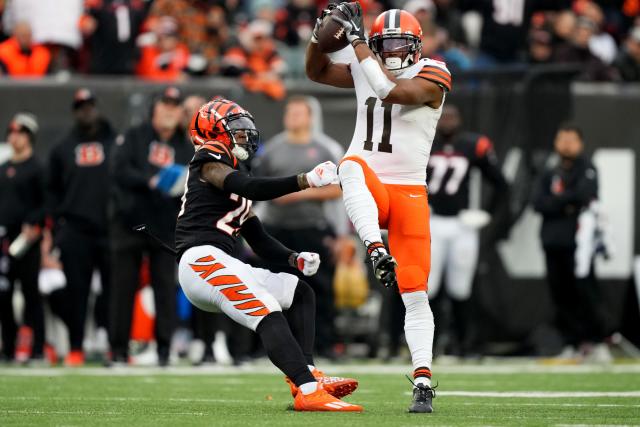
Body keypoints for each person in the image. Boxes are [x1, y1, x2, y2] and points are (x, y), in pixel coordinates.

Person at [306, 3, 451, 413]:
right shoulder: (362, 59)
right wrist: (321, 36)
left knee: (415, 290)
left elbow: (391, 90)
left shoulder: (434, 73)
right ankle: (375, 249)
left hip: (408, 194)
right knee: (350, 165)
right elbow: (315, 71)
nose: (391, 51)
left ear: (416, 45)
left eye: (399, 43)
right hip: (372, 189)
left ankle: (422, 381)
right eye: (384, 44)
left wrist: (358, 46)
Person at [175, 97, 362, 412]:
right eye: (234, 130)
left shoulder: (233, 176)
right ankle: (307, 390)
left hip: (221, 261)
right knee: (267, 309)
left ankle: (307, 374)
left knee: (300, 292)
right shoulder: (210, 159)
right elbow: (253, 188)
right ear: (212, 133)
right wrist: (305, 180)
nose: (243, 135)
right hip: (202, 261)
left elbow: (257, 237)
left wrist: (293, 259)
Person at [253, 95, 343, 358]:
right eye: (289, 112)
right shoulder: (272, 148)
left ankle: (324, 344)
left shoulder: (326, 148)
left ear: (310, 117)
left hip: (312, 227)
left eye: (298, 113)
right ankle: (270, 346)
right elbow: (258, 186)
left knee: (320, 288)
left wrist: (299, 192)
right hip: (277, 229)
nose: (292, 117)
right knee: (271, 287)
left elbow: (339, 189)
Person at [109, 86, 192, 366]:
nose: (170, 109)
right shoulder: (135, 136)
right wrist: (152, 181)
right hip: (131, 222)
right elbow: (118, 170)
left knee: (165, 288)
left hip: (166, 226)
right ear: (154, 108)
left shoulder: (186, 144)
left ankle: (165, 350)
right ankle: (119, 349)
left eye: (175, 105)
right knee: (122, 287)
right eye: (165, 104)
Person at [427, 104, 509, 356]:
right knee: (428, 288)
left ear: (461, 120)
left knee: (461, 288)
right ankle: (428, 345)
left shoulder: (473, 145)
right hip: (430, 221)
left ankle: (465, 344)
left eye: (452, 116)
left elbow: (501, 183)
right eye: (444, 116)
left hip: (462, 224)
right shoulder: (425, 141)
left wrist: (487, 213)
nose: (447, 121)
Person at [46, 89, 117, 366]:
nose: (86, 111)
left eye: (89, 106)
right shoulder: (62, 147)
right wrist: (56, 225)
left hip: (110, 227)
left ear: (96, 108)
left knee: (114, 290)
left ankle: (115, 345)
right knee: (77, 291)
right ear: (75, 112)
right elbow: (51, 190)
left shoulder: (116, 141)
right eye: (81, 107)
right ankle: (76, 347)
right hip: (75, 228)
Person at [532, 123, 611, 361]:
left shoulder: (587, 167)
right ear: (556, 142)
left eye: (571, 140)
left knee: (585, 293)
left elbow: (585, 194)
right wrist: (565, 204)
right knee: (560, 295)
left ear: (580, 143)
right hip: (552, 242)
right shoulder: (549, 170)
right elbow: (537, 203)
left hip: (579, 246)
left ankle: (596, 342)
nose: (566, 145)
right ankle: (572, 342)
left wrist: (557, 201)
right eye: (562, 139)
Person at [0, 113, 45, 363]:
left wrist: (34, 223)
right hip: (4, 238)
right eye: (12, 132)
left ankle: (37, 348)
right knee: (3, 294)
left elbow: (47, 202)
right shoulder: (3, 169)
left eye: (20, 133)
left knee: (31, 294)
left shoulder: (37, 167)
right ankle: (8, 347)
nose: (14, 137)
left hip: (28, 238)